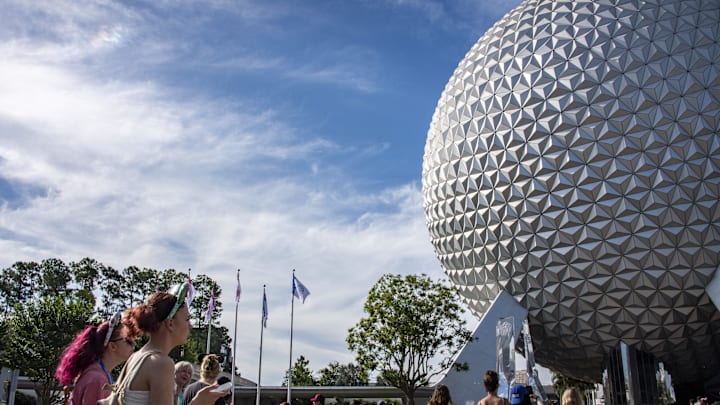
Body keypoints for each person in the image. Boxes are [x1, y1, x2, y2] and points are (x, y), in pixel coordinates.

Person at [122, 281, 228, 405]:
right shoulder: (161, 364)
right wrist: (198, 402)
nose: (190, 326)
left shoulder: (137, 357)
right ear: (171, 323)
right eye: (187, 319)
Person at [55, 311, 136, 405]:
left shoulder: (98, 375)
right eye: (128, 341)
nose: (134, 345)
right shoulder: (97, 380)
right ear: (112, 346)